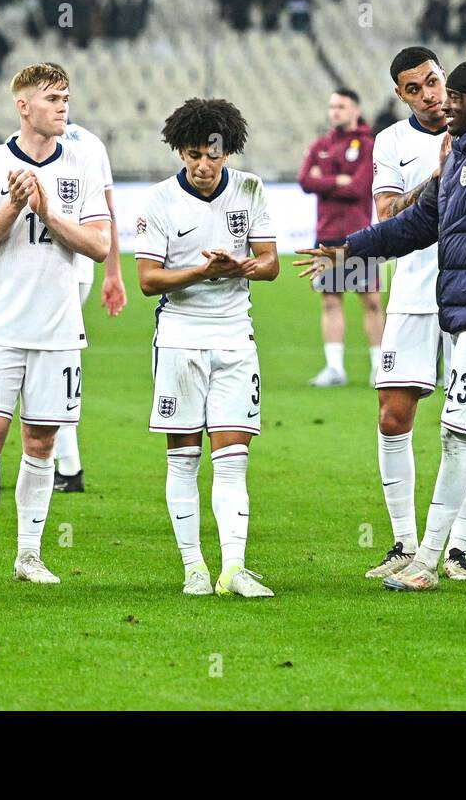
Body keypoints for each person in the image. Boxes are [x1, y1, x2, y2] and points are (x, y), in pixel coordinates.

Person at [297, 58, 466, 592]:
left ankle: (426, 562)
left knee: (456, 431)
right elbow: (413, 226)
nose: (444, 105)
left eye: (454, 97)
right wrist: (348, 250)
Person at [0, 62, 111, 588]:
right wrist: (14, 206)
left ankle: (28, 556)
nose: (63, 106)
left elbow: (100, 245)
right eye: (52, 98)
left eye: (66, 97)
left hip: (59, 328)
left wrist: (45, 210)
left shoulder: (82, 164)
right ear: (23, 105)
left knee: (41, 442)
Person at [135, 98, 280, 598]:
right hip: (179, 338)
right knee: (183, 456)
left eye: (213, 155)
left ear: (228, 151)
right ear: (179, 150)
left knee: (234, 455)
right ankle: (194, 566)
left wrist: (239, 268)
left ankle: (233, 568)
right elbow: (149, 280)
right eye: (193, 154)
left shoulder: (250, 189)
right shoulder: (157, 201)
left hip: (235, 337)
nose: (203, 165)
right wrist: (202, 271)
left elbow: (271, 263)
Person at [366, 46, 466, 582]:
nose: (429, 95)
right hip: (414, 293)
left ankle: (457, 549)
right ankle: (403, 543)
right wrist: (439, 177)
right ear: (401, 95)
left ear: (445, 78)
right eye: (414, 89)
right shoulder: (391, 142)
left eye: (433, 82)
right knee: (393, 414)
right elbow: (387, 214)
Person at [29, 120, 127, 494]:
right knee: (51, 358)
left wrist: (114, 272)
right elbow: (110, 212)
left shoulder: (72, 144)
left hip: (66, 268)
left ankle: (64, 466)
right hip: (74, 270)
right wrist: (113, 273)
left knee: (47, 360)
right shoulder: (91, 141)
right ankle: (61, 463)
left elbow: (107, 212)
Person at [298, 87, 382, 386]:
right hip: (326, 236)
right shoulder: (320, 144)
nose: (335, 111)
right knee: (330, 301)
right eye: (332, 106)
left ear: (355, 110)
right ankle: (335, 368)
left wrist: (325, 181)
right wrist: (337, 180)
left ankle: (378, 367)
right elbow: (305, 180)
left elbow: (357, 188)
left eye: (341, 106)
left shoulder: (369, 145)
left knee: (370, 300)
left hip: (358, 236)